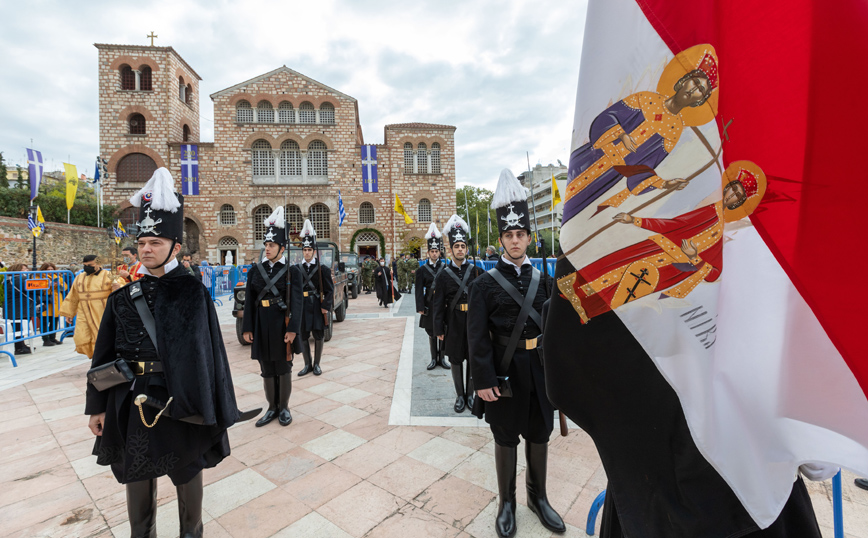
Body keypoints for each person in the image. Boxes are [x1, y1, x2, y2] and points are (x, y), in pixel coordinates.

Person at [85, 168, 244, 538]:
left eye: (155, 243)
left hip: (180, 402)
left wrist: (214, 407)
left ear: (174, 246)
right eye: (142, 243)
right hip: (132, 402)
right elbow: (103, 356)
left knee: (188, 476)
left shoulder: (193, 294)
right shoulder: (122, 297)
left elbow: (212, 357)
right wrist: (96, 406)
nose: (146, 249)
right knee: (137, 480)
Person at [468, 169, 565, 538]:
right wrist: (483, 380)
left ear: (529, 237)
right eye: (508, 235)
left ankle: (537, 499)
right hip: (504, 371)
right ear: (501, 239)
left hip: (539, 369)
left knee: (539, 434)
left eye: (520, 234)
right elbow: (477, 337)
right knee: (506, 436)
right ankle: (506, 502)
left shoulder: (545, 280)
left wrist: (561, 374)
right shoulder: (483, 285)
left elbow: (556, 330)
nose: (514, 240)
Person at [242, 207, 302, 427]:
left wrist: (293, 329)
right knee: (266, 367)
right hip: (261, 323)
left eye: (271, 245)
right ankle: (271, 408)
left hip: (281, 324)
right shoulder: (255, 271)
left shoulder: (292, 271)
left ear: (282, 248)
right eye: (266, 245)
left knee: (283, 366)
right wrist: (247, 328)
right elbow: (249, 300)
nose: (267, 249)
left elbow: (298, 302)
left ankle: (284, 407)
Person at [433, 215, 485, 413]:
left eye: (463, 246)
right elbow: (438, 305)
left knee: (473, 358)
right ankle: (460, 396)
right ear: (451, 249)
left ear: (466, 249)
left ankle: (471, 395)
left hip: (473, 322)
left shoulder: (478, 271)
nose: (460, 249)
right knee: (455, 359)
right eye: (457, 246)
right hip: (453, 321)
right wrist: (439, 328)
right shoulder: (443, 274)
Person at [296, 220, 334, 376]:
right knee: (304, 335)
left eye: (309, 249)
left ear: (314, 251)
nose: (306, 252)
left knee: (318, 335)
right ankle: (307, 365)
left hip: (317, 305)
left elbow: (330, 290)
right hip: (303, 306)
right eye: (304, 249)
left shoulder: (322, 269)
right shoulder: (296, 269)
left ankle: (317, 364)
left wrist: (325, 306)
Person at [58, 254, 115, 359]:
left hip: (102, 311)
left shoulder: (110, 275)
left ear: (98, 263)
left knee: (102, 336)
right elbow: (73, 295)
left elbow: (118, 294)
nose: (87, 267)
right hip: (83, 311)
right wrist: (69, 313)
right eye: (85, 265)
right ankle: (94, 357)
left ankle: (103, 359)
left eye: (90, 265)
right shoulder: (80, 277)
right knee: (81, 336)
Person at [416, 223, 447, 370]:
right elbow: (418, 290)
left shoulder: (446, 268)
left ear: (440, 252)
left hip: (443, 305)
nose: (434, 253)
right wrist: (420, 307)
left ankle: (442, 358)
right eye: (432, 251)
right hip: (429, 304)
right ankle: (433, 359)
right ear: (428, 253)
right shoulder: (422, 270)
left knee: (443, 330)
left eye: (436, 251)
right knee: (431, 332)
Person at [6, 263, 34, 355]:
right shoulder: (17, 279)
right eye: (23, 269)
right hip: (16, 307)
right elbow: (30, 287)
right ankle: (19, 347)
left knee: (20, 327)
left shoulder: (15, 279)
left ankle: (22, 345)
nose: (26, 270)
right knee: (17, 328)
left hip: (19, 306)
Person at [38, 262, 66, 347]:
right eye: (48, 269)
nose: (50, 271)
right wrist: (48, 284)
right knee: (45, 321)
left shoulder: (57, 276)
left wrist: (59, 285)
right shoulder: (39, 276)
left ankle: (53, 337)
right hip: (45, 300)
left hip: (56, 300)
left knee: (54, 320)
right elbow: (36, 286)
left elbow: (65, 287)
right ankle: (46, 339)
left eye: (51, 269)